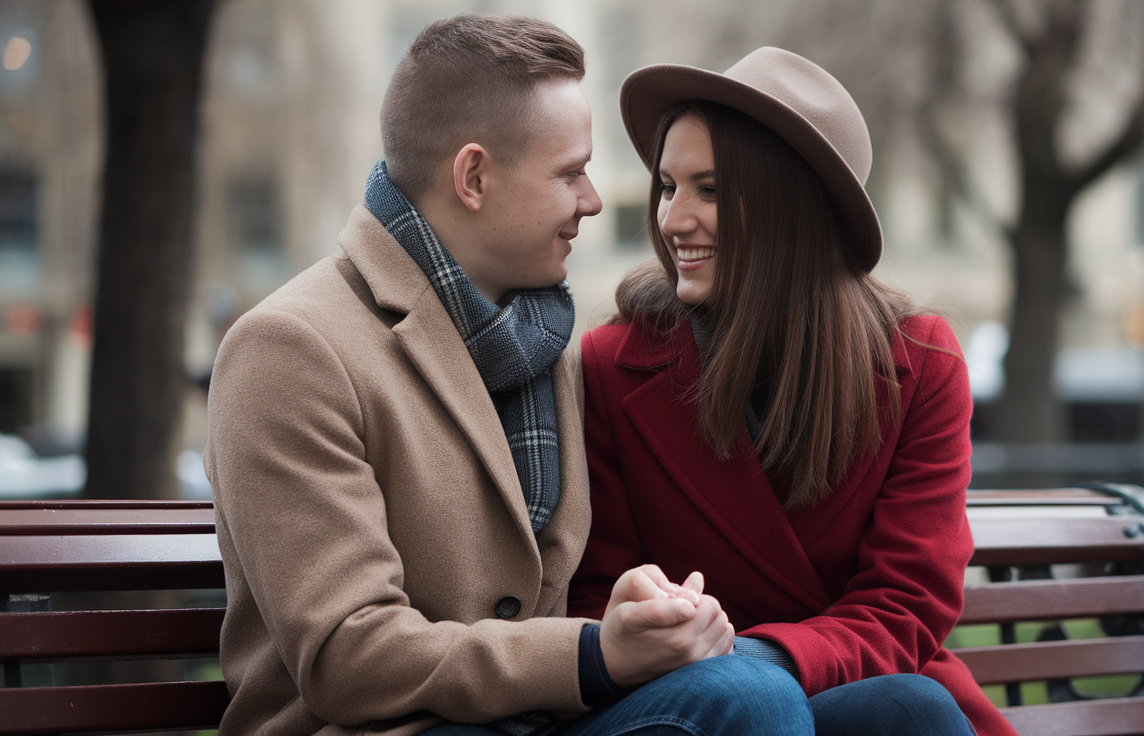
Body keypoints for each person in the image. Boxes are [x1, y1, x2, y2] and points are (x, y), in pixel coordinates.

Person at [205, 17, 811, 736]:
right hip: (388, 728)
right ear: (473, 177)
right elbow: (348, 655)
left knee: (902, 707)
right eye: (569, 173)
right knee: (750, 699)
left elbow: (547, 604)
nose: (591, 199)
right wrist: (592, 652)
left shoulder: (538, 339)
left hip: (531, 719)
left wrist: (628, 611)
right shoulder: (291, 347)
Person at [569, 47, 1020, 736]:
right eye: (668, 186)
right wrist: (652, 625)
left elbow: (906, 604)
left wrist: (756, 654)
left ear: (791, 205)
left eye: (710, 190)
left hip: (846, 680)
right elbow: (596, 593)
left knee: (916, 708)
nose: (673, 219)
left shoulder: (919, 362)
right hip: (691, 703)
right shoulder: (611, 365)